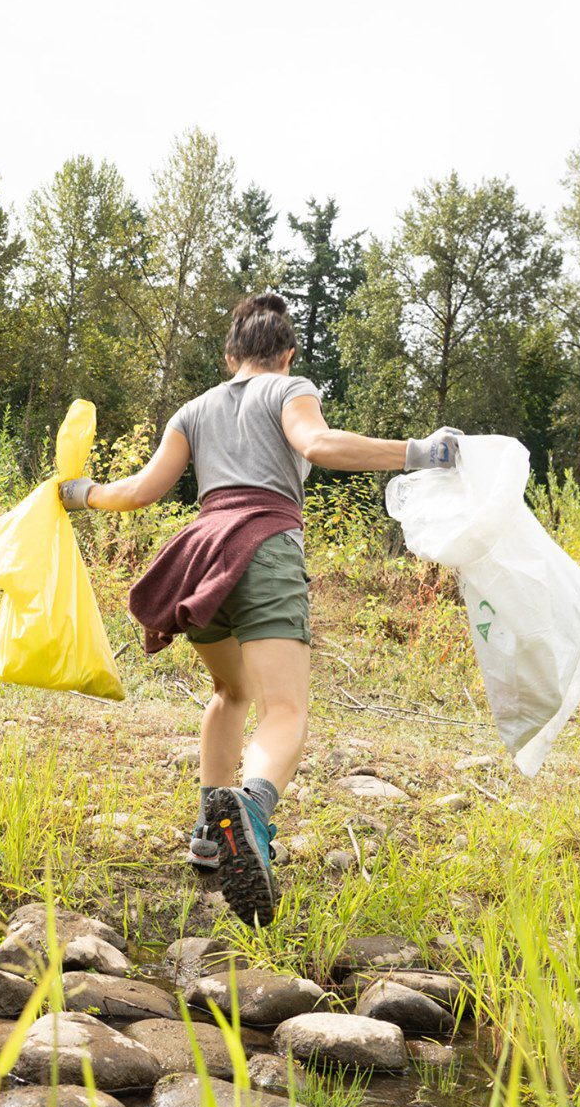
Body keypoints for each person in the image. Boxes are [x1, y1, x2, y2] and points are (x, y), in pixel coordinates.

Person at [59, 292, 460, 924]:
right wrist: (422, 453)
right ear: (286, 352)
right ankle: (248, 810)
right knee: (287, 708)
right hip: (264, 547)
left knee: (229, 691)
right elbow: (320, 444)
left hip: (200, 553)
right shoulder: (288, 387)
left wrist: (80, 495)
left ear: (230, 356)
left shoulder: (192, 410)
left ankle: (207, 833)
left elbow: (140, 491)